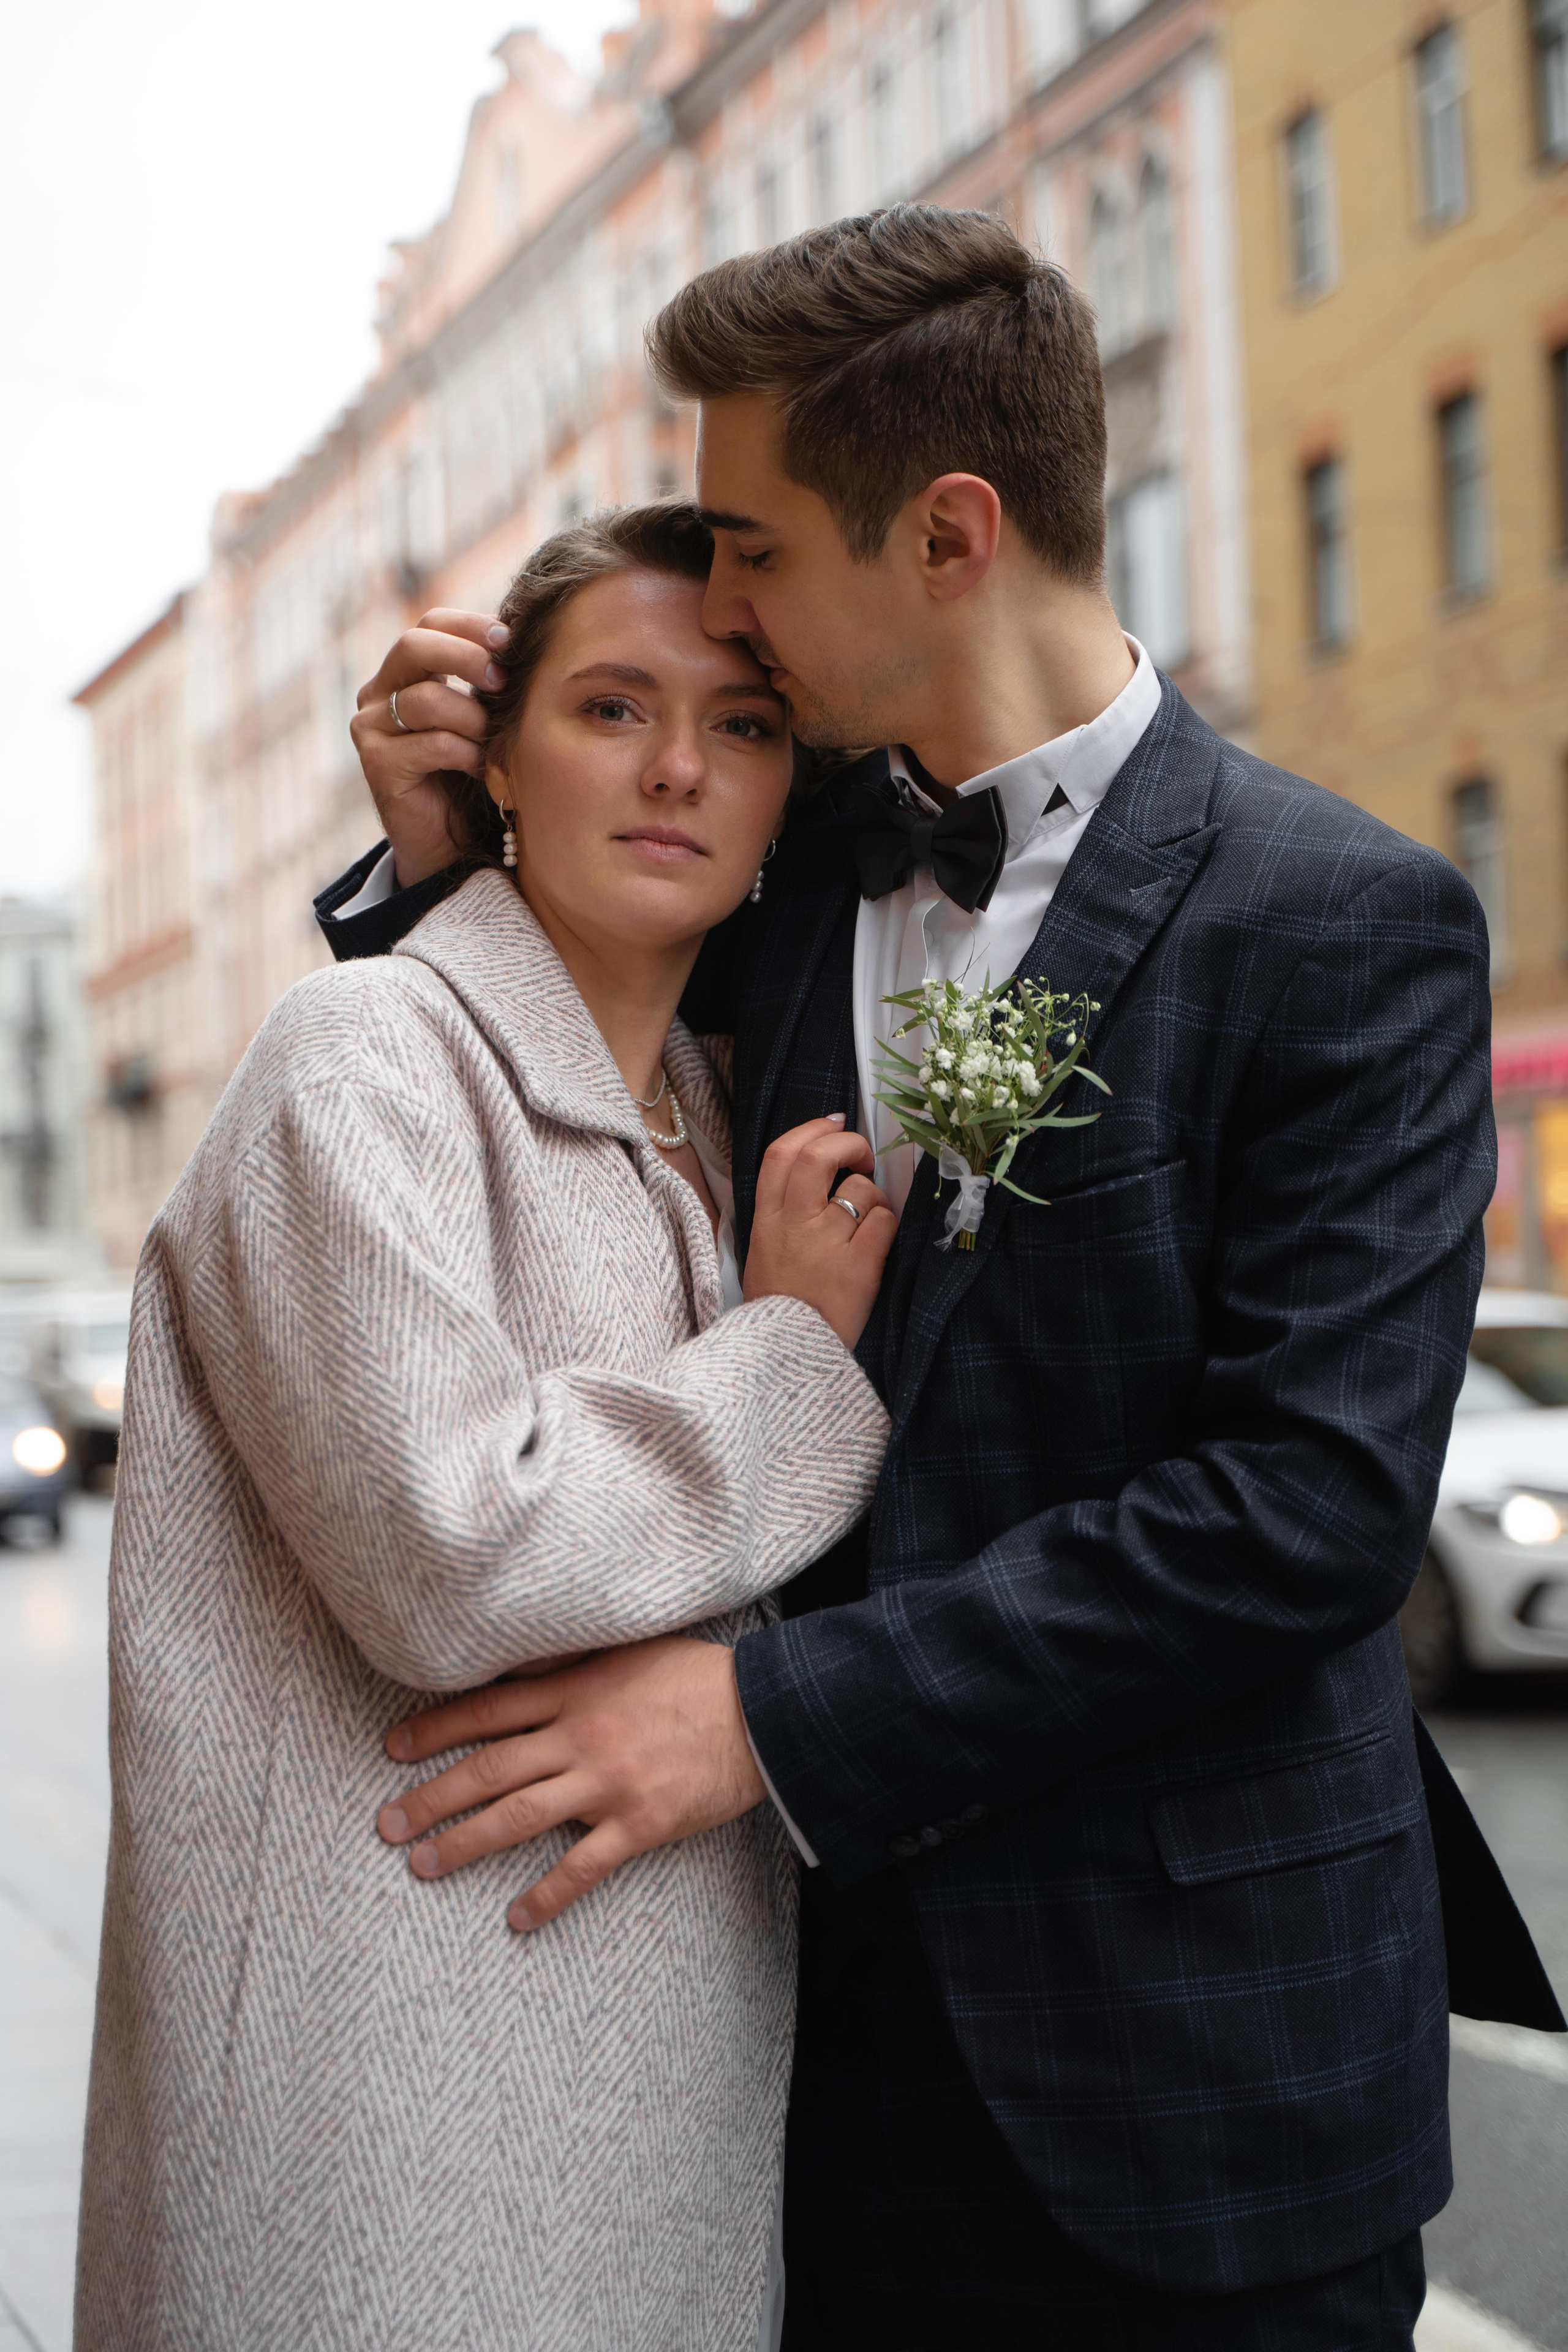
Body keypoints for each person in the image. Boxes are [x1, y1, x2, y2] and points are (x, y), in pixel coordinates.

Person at [320, 209, 1564, 2350]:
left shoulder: (1346, 924)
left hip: (1198, 2084)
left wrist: (764, 1720)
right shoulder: (781, 862)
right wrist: (449, 861)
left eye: (755, 544)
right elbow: (535, 1139)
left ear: (952, 531)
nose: (718, 604)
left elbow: (1305, 1513)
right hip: (797, 2068)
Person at [74, 502, 899, 2352]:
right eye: (612, 708)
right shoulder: (364, 1057)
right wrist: (786, 1360)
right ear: (494, 758)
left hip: (654, 2100)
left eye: (746, 725)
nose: (681, 766)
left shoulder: (717, 1105)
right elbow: (456, 1545)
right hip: (385, 2104)